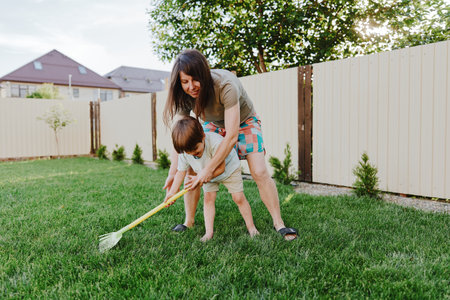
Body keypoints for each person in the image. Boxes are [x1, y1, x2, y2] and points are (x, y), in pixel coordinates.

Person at [163, 49, 297, 241]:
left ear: (204, 74)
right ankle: (188, 221)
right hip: (213, 124)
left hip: (243, 121)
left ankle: (279, 223)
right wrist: (172, 172)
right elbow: (181, 137)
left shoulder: (225, 85)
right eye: (185, 82)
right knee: (193, 172)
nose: (191, 86)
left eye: (195, 80)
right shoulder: (184, 95)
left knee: (259, 171)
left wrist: (208, 170)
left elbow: (231, 136)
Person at [164, 116, 259, 241]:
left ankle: (252, 228)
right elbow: (180, 173)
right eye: (189, 152)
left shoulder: (215, 142)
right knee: (208, 199)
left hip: (229, 169)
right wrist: (172, 193)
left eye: (196, 150)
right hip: (204, 173)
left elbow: (221, 169)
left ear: (203, 136)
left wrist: (199, 177)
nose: (193, 154)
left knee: (238, 198)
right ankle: (209, 233)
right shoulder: (185, 153)